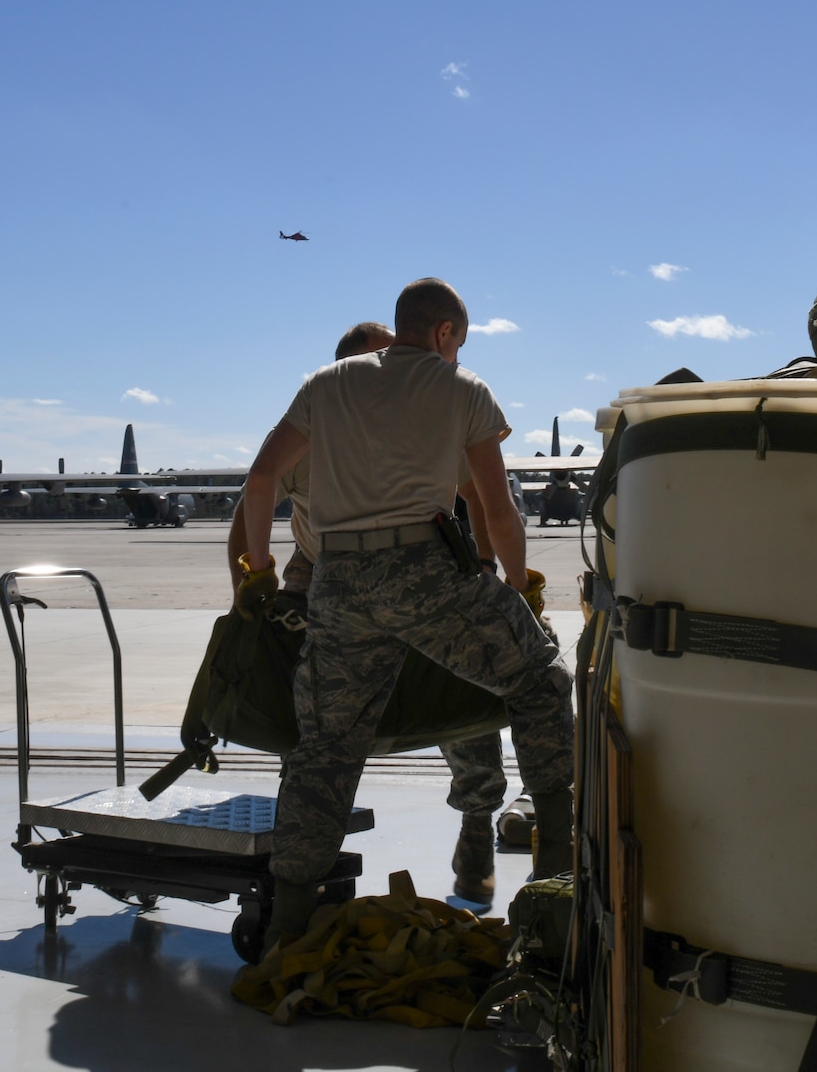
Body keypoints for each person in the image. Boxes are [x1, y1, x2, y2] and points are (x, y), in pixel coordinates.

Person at [238, 278, 574, 950]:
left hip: (337, 583)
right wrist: (518, 584)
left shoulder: (325, 385)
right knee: (541, 681)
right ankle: (558, 878)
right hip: (424, 573)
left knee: (325, 750)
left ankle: (286, 929)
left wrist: (259, 570)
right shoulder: (463, 389)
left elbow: (260, 480)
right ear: (445, 333)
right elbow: (495, 505)